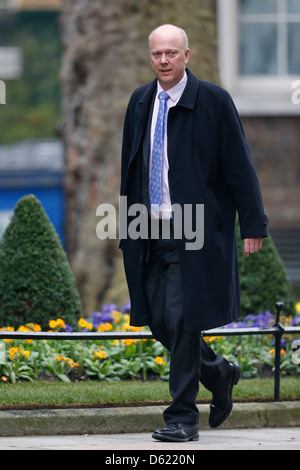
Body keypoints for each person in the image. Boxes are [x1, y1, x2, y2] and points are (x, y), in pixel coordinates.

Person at [119, 24, 268, 442]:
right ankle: (220, 374)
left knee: (184, 321)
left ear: (188, 55)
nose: (163, 61)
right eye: (156, 54)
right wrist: (127, 226)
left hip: (197, 230)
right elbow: (130, 169)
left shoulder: (215, 101)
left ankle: (182, 417)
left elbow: (240, 166)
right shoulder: (140, 101)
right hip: (149, 228)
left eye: (171, 53)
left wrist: (253, 224)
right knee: (159, 321)